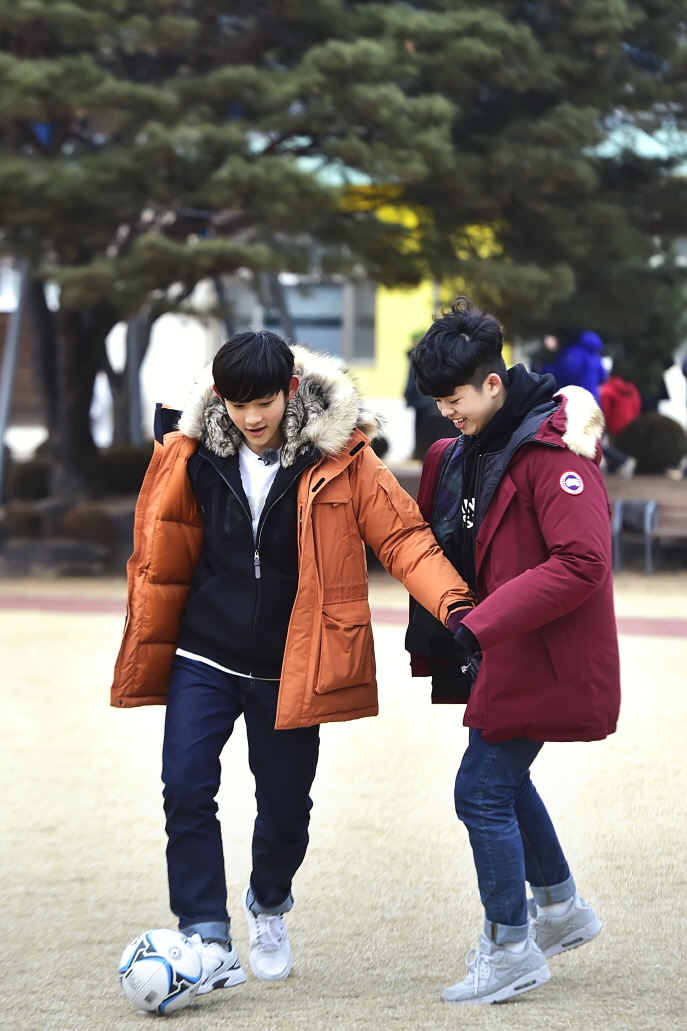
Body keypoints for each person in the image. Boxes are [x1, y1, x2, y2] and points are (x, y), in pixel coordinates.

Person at [111, 330, 474, 994]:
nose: (253, 418)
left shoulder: (342, 456)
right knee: (185, 787)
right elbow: (160, 543)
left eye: (265, 402)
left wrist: (456, 607)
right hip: (204, 652)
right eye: (238, 404)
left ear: (291, 390)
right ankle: (206, 933)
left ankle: (269, 901)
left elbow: (402, 537)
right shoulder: (190, 452)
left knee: (284, 809)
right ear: (220, 397)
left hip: (292, 663)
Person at [407, 298, 620, 1006]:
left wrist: (481, 623)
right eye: (439, 402)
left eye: (455, 399)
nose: (448, 413)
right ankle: (558, 907)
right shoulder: (478, 445)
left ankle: (509, 948)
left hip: (538, 650)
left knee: (481, 789)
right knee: (503, 780)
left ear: (492, 383)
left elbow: (583, 561)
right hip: (509, 649)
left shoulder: (551, 451)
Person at [599, 361, 641, 437]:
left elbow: (605, 409)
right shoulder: (633, 391)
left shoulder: (608, 388)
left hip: (613, 429)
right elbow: (636, 410)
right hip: (629, 428)